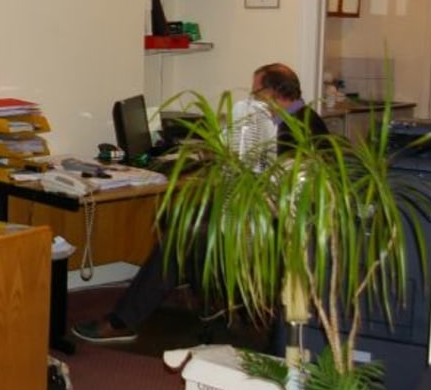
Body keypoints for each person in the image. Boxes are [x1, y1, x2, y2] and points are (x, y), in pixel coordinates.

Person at [71, 62, 330, 344]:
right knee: (179, 214)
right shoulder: (304, 119)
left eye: (256, 93)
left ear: (272, 92)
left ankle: (123, 321)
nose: (254, 100)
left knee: (179, 239)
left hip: (268, 229)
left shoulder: (295, 131)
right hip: (261, 216)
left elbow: (278, 189)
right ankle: (184, 286)